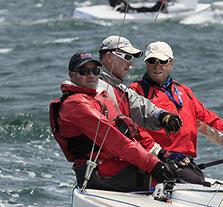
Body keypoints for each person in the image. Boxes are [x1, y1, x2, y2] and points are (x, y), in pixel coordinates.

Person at [49, 52, 177, 192]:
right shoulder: (77, 105)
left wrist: (160, 154)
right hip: (99, 173)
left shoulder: (98, 98)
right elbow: (115, 140)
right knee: (171, 182)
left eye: (95, 71)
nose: (91, 75)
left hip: (116, 165)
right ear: (72, 75)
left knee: (179, 173)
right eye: (84, 71)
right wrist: (153, 165)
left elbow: (130, 130)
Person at [130, 41, 223, 185]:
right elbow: (134, 129)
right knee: (196, 183)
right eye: (152, 61)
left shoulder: (182, 90)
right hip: (159, 160)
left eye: (162, 61)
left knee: (201, 182)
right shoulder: (136, 91)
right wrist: (161, 152)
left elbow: (205, 117)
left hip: (185, 161)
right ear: (146, 63)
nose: (157, 65)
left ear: (171, 63)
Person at [96, 35, 183, 138]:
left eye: (131, 58)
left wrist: (162, 116)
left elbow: (141, 106)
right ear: (109, 57)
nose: (130, 63)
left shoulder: (120, 89)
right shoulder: (97, 87)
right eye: (127, 57)